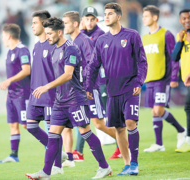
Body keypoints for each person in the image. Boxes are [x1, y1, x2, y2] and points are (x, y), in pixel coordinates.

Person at [25, 17, 111, 180]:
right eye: (46, 33)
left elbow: (68, 74)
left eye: (50, 33)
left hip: (74, 100)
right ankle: (46, 172)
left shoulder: (70, 49)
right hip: (59, 101)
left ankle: (104, 167)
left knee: (86, 133)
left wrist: (46, 87)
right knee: (52, 136)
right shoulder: (54, 50)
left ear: (59, 32)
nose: (47, 36)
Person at [86, 3, 147, 176]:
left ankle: (134, 162)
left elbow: (142, 61)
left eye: (110, 14)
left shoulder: (132, 35)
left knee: (130, 123)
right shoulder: (101, 40)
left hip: (130, 89)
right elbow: (93, 66)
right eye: (105, 14)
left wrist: (138, 82)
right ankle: (127, 164)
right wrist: (89, 86)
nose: (106, 17)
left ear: (119, 16)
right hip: (112, 91)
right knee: (119, 128)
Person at [62, 10, 117, 165]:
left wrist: (86, 86)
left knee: (98, 124)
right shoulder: (71, 42)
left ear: (75, 24)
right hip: (77, 91)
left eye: (65, 23)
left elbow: (92, 65)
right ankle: (71, 157)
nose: (63, 26)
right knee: (70, 124)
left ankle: (124, 143)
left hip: (90, 89)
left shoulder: (84, 40)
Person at [26, 10, 67, 175]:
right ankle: (60, 153)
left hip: (51, 97)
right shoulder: (36, 46)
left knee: (53, 132)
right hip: (35, 96)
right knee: (31, 127)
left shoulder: (54, 47)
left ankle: (57, 166)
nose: (32, 26)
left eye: (35, 23)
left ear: (44, 24)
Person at [142, 5, 186, 153]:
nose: (143, 18)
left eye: (146, 16)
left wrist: (174, 77)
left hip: (163, 79)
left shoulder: (166, 34)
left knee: (158, 109)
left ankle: (181, 130)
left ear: (155, 17)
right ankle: (159, 144)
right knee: (154, 112)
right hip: (150, 79)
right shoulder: (145, 38)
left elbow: (174, 58)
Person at [0, 24, 31, 163]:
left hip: (22, 94)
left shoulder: (22, 50)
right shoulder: (9, 52)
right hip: (11, 95)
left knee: (27, 125)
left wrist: (8, 81)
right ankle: (13, 155)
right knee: (13, 124)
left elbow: (26, 70)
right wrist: (8, 93)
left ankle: (53, 147)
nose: (3, 39)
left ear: (9, 36)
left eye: (3, 36)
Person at [172, 8, 190, 153]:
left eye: (189, 18)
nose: (187, 20)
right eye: (184, 18)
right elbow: (174, 57)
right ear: (180, 20)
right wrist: (180, 41)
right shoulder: (183, 36)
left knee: (188, 107)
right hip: (187, 80)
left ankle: (188, 140)